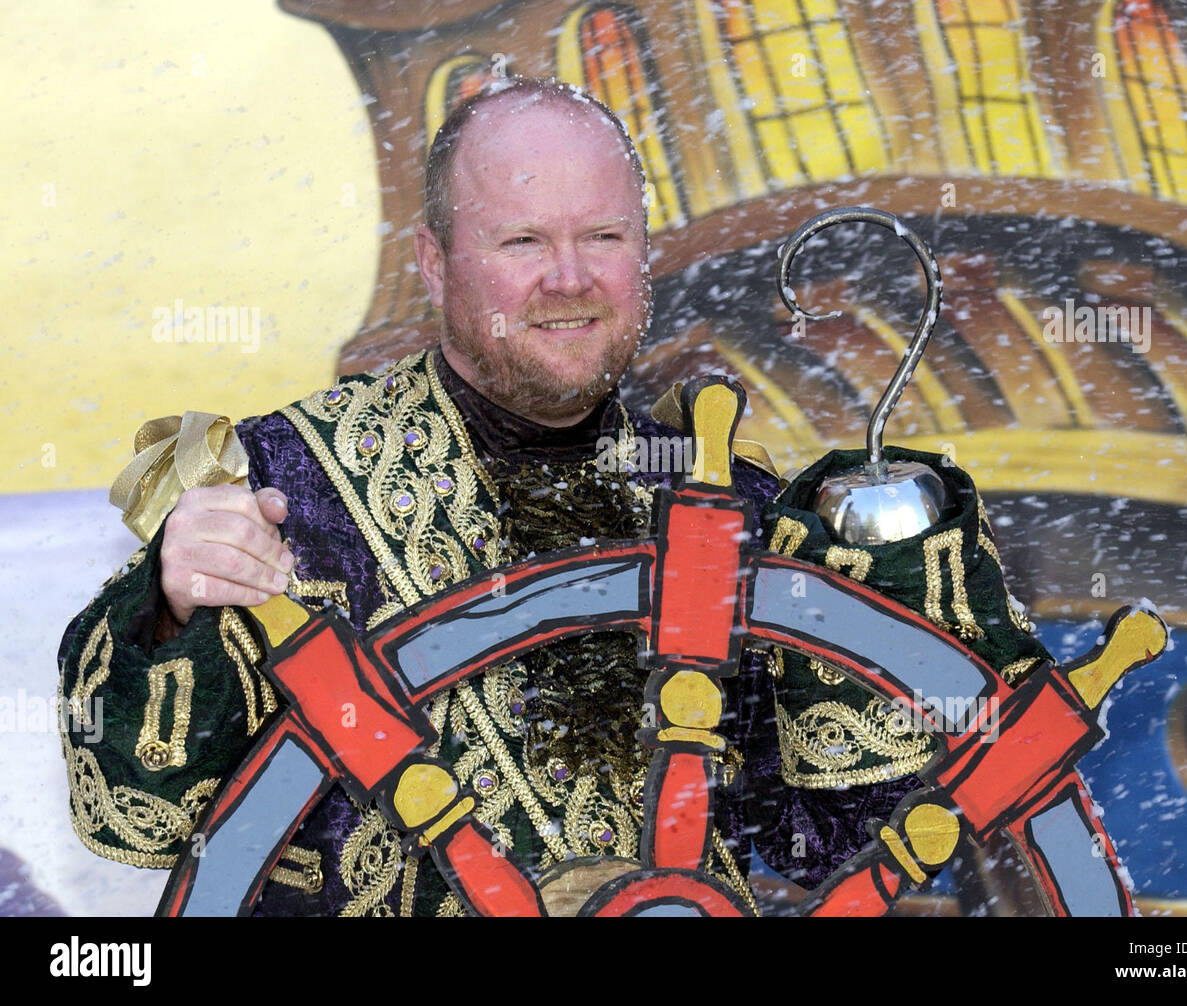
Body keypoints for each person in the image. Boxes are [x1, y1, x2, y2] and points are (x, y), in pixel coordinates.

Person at [57, 79, 1050, 916]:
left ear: (642, 254)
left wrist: (904, 590)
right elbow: (133, 812)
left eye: (603, 235)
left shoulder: (735, 511)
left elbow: (818, 834)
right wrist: (174, 604)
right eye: (523, 241)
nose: (569, 279)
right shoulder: (284, 484)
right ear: (434, 262)